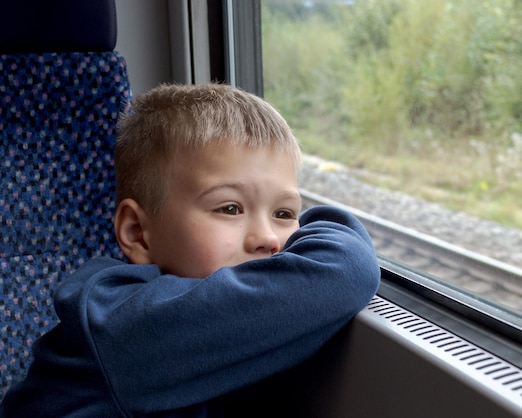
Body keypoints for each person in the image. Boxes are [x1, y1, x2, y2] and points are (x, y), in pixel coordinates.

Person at [0, 83, 380, 417]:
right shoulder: (123, 326)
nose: (269, 238)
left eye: (284, 213)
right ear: (138, 234)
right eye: (230, 208)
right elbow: (346, 270)